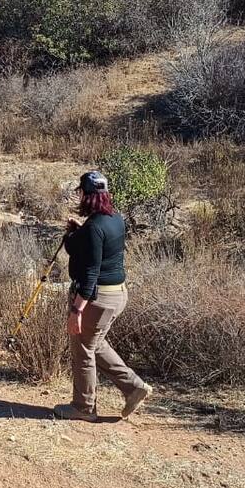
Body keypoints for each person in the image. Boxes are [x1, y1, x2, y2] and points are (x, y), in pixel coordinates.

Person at [53, 171, 152, 423]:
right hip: (117, 294)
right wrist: (78, 232)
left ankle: (84, 407)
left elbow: (90, 274)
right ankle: (134, 387)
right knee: (94, 344)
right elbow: (91, 248)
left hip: (97, 300)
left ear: (85, 195)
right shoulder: (115, 219)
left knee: (83, 349)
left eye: (80, 192)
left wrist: (77, 311)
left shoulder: (94, 228)